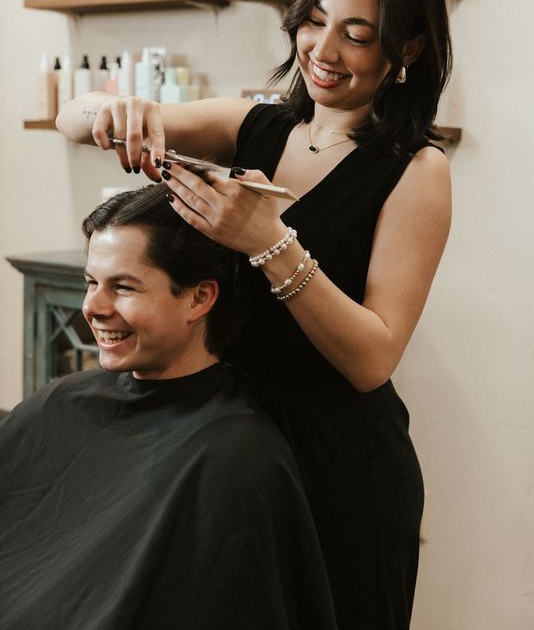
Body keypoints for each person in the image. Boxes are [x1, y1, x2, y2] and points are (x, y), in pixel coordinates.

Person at [56, 0, 453, 630]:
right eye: (315, 20)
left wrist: (269, 242)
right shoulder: (254, 125)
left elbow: (373, 358)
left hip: (337, 467)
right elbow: (71, 118)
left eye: (357, 34)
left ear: (408, 50)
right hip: (229, 451)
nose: (323, 51)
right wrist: (114, 110)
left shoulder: (417, 172)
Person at [0, 185, 339, 630]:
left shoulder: (234, 455)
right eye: (91, 282)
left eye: (123, 287)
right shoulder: (60, 403)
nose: (93, 308)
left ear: (199, 298)